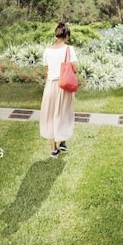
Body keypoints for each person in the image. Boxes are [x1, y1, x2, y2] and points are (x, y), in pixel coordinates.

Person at [40, 22, 77, 158]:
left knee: (50, 115)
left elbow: (46, 70)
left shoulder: (47, 51)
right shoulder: (69, 49)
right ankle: (63, 142)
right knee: (64, 113)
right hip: (64, 86)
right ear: (66, 35)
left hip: (50, 85)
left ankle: (54, 149)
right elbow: (75, 68)